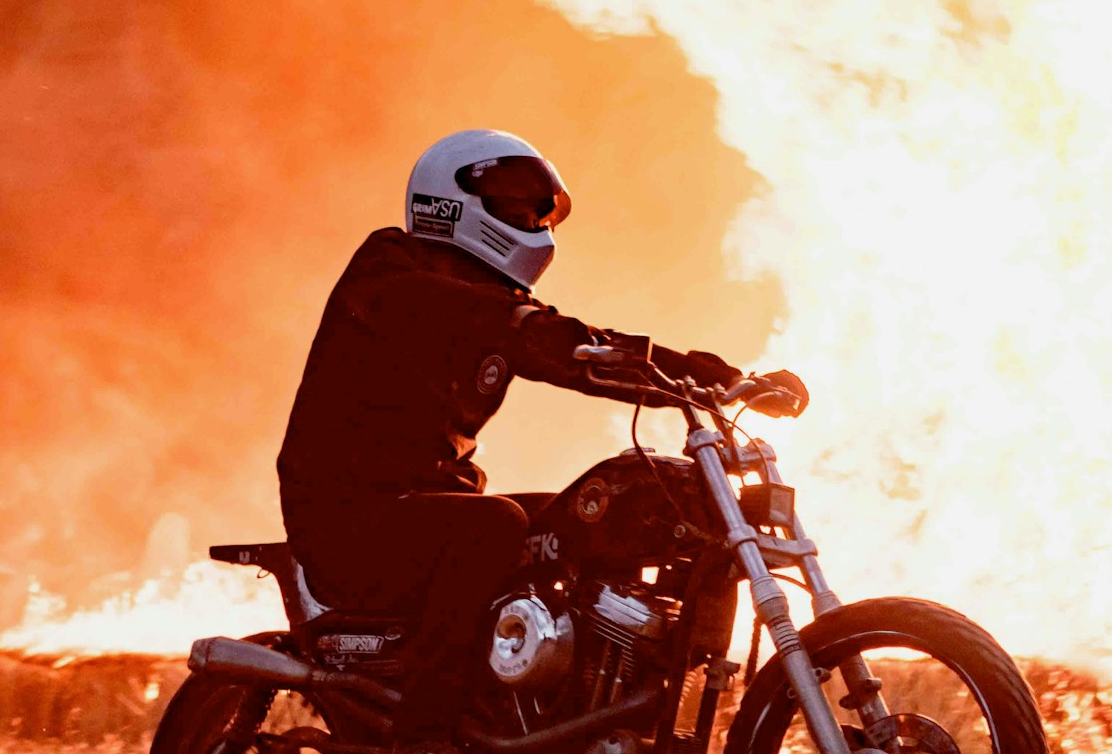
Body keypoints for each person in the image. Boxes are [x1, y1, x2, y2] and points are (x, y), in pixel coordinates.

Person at [275, 129, 803, 715]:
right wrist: (534, 331)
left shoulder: (506, 305)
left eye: (536, 207)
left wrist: (720, 379)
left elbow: (582, 346)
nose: (531, 217)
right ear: (451, 202)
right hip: (347, 519)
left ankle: (565, 711)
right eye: (516, 202)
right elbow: (490, 322)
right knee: (493, 526)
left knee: (587, 519)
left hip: (434, 508)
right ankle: (426, 734)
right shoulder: (388, 271)